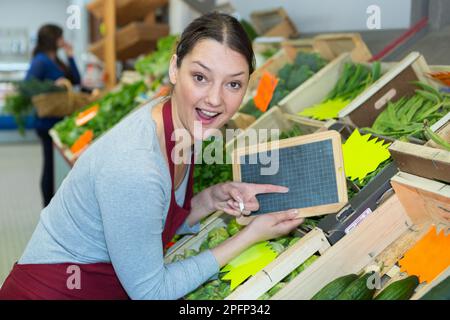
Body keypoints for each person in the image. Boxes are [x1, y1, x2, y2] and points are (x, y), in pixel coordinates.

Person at [0, 13, 303, 300]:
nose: (214, 99)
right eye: (200, 77)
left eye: (233, 84)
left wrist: (212, 199)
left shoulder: (180, 122)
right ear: (174, 69)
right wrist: (249, 237)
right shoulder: (136, 165)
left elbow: (151, 220)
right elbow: (151, 292)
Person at [26, 24, 81, 207]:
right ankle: (47, 206)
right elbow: (29, 86)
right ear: (52, 39)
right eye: (60, 37)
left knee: (54, 165)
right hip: (47, 121)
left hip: (60, 118)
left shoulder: (56, 59)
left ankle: (54, 204)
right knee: (49, 165)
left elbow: (76, 80)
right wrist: (53, 86)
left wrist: (71, 55)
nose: (62, 40)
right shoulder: (40, 60)